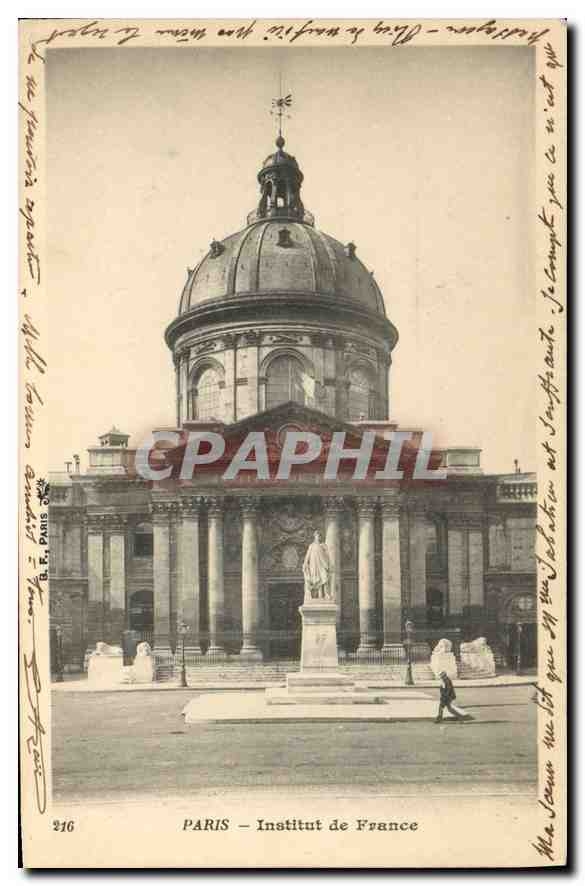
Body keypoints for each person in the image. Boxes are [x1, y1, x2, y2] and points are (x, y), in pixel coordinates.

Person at [302, 531, 332, 601]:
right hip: (314, 566)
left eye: (319, 536)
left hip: (322, 565)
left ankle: (327, 594)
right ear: (314, 536)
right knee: (317, 581)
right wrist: (305, 564)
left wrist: (328, 564)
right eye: (317, 535)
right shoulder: (311, 546)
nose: (318, 537)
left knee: (325, 579)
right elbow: (307, 556)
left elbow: (328, 556)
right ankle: (320, 596)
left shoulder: (323, 545)